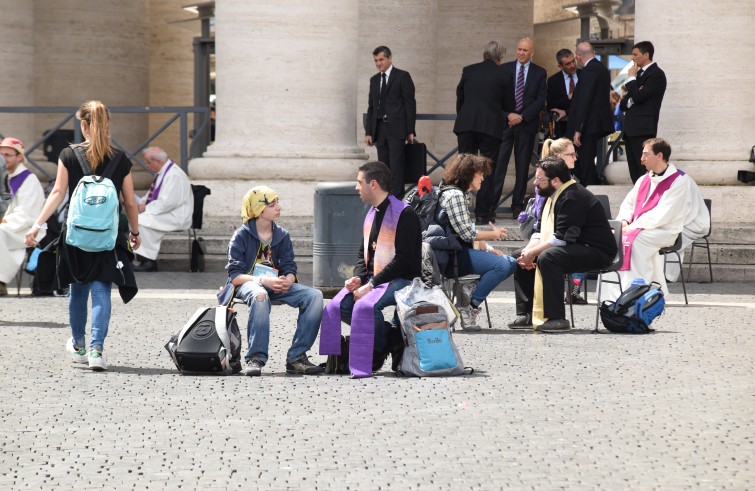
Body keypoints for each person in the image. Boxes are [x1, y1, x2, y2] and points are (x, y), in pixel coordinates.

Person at [25, 100, 141, 370]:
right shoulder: (120, 158)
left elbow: (57, 193)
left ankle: (78, 346)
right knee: (101, 290)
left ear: (84, 125)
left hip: (76, 235)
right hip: (108, 236)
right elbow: (130, 201)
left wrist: (37, 225)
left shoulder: (69, 155)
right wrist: (135, 232)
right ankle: (97, 350)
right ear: (107, 124)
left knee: (78, 290)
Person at [320, 161, 422, 378]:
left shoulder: (405, 215)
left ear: (373, 184)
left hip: (402, 279)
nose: (356, 187)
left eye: (359, 182)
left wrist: (371, 285)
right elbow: (361, 254)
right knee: (337, 307)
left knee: (365, 307)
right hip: (373, 278)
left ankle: (376, 350)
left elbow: (403, 261)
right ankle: (388, 337)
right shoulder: (371, 213)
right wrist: (358, 277)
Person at [224, 185, 324, 377]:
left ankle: (297, 357)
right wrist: (262, 280)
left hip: (276, 285)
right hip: (248, 284)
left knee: (315, 296)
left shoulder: (282, 235)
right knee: (260, 294)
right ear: (258, 210)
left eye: (277, 202)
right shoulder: (241, 235)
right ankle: (256, 358)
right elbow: (235, 276)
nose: (279, 207)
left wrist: (289, 278)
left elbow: (289, 265)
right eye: (272, 204)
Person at [512, 156, 616, 332]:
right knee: (519, 255)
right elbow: (539, 230)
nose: (535, 183)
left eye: (540, 179)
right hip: (575, 247)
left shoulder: (572, 197)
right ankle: (527, 314)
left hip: (597, 251)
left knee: (548, 257)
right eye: (536, 178)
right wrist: (528, 251)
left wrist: (534, 253)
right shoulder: (551, 195)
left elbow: (562, 238)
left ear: (556, 180)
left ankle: (557, 318)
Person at [600, 137, 701, 300]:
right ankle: (611, 296)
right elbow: (628, 204)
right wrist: (625, 220)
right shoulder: (644, 179)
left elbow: (663, 214)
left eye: (646, 155)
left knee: (637, 241)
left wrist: (631, 228)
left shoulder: (679, 181)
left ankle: (637, 293)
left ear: (659, 156)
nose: (641, 159)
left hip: (665, 230)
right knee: (614, 237)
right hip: (638, 228)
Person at [438, 154, 517, 330]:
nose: (483, 178)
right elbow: (467, 233)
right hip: (453, 257)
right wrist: (492, 234)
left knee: (510, 262)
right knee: (503, 265)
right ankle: (468, 307)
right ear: (469, 174)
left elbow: (464, 229)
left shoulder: (455, 193)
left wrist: (488, 248)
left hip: (459, 253)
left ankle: (469, 296)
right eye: (480, 174)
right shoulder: (456, 195)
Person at [453, 40, 512, 225]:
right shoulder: (504, 73)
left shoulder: (468, 70)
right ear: (500, 56)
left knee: (463, 168)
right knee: (486, 171)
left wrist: (465, 116)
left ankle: (459, 211)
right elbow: (509, 105)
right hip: (490, 127)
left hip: (466, 124)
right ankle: (482, 215)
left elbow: (460, 97)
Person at [492, 38, 547, 220]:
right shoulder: (504, 69)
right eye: (519, 49)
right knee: (499, 165)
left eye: (525, 50)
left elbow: (540, 100)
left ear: (532, 52)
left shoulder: (540, 73)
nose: (521, 53)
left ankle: (517, 205)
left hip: (526, 125)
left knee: (522, 168)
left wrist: (521, 117)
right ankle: (492, 205)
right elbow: (496, 97)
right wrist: (508, 115)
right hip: (505, 125)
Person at [364, 46, 417, 198]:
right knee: (383, 166)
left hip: (397, 129)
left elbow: (410, 104)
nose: (378, 63)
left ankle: (397, 200)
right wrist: (368, 132)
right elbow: (371, 107)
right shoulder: (374, 80)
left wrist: (410, 130)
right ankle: (385, 198)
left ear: (389, 58)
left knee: (397, 165)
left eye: (381, 60)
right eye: (375, 61)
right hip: (379, 129)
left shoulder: (402, 76)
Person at [131, 147, 194, 272]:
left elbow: (168, 203)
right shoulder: (164, 172)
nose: (147, 166)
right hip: (167, 212)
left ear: (158, 162)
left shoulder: (174, 175)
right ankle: (142, 257)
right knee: (136, 220)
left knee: (138, 221)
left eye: (148, 162)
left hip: (176, 216)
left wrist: (145, 208)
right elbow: (152, 194)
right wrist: (142, 201)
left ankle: (148, 261)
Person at [0, 137, 47, 296]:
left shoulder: (29, 179)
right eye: (1, 155)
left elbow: (28, 212)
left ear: (19, 156)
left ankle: (1, 281)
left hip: (25, 227)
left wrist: (4, 219)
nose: (3, 159)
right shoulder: (3, 177)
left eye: (7, 155)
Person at [566, 42, 613, 186]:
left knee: (584, 161)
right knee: (586, 161)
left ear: (578, 57)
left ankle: (589, 190)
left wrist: (578, 129)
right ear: (593, 52)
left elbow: (585, 100)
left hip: (588, 125)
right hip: (595, 123)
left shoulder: (589, 71)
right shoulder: (602, 68)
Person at [620, 41, 667, 183]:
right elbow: (624, 104)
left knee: (643, 170)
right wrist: (634, 95)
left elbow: (639, 97)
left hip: (643, 129)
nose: (632, 58)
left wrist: (632, 79)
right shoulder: (639, 75)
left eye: (635, 54)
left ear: (646, 55)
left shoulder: (656, 74)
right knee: (634, 171)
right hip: (631, 130)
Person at [546, 48, 580, 139]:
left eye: (573, 61)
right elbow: (551, 105)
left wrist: (566, 112)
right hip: (563, 128)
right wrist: (568, 97)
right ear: (560, 66)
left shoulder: (584, 75)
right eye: (568, 64)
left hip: (583, 125)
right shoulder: (553, 81)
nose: (573, 65)